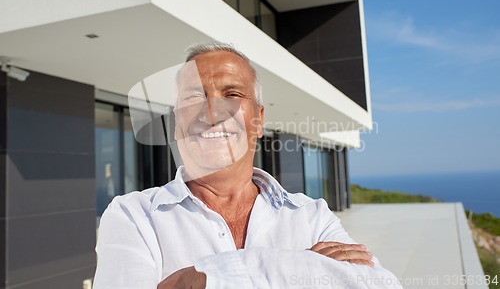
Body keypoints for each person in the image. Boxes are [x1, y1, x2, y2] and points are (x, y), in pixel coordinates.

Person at [93, 43, 402, 289]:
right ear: (176, 124)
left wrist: (205, 278)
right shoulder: (133, 216)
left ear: (259, 120)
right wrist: (300, 269)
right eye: (193, 97)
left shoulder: (312, 216)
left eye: (232, 94)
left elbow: (380, 285)